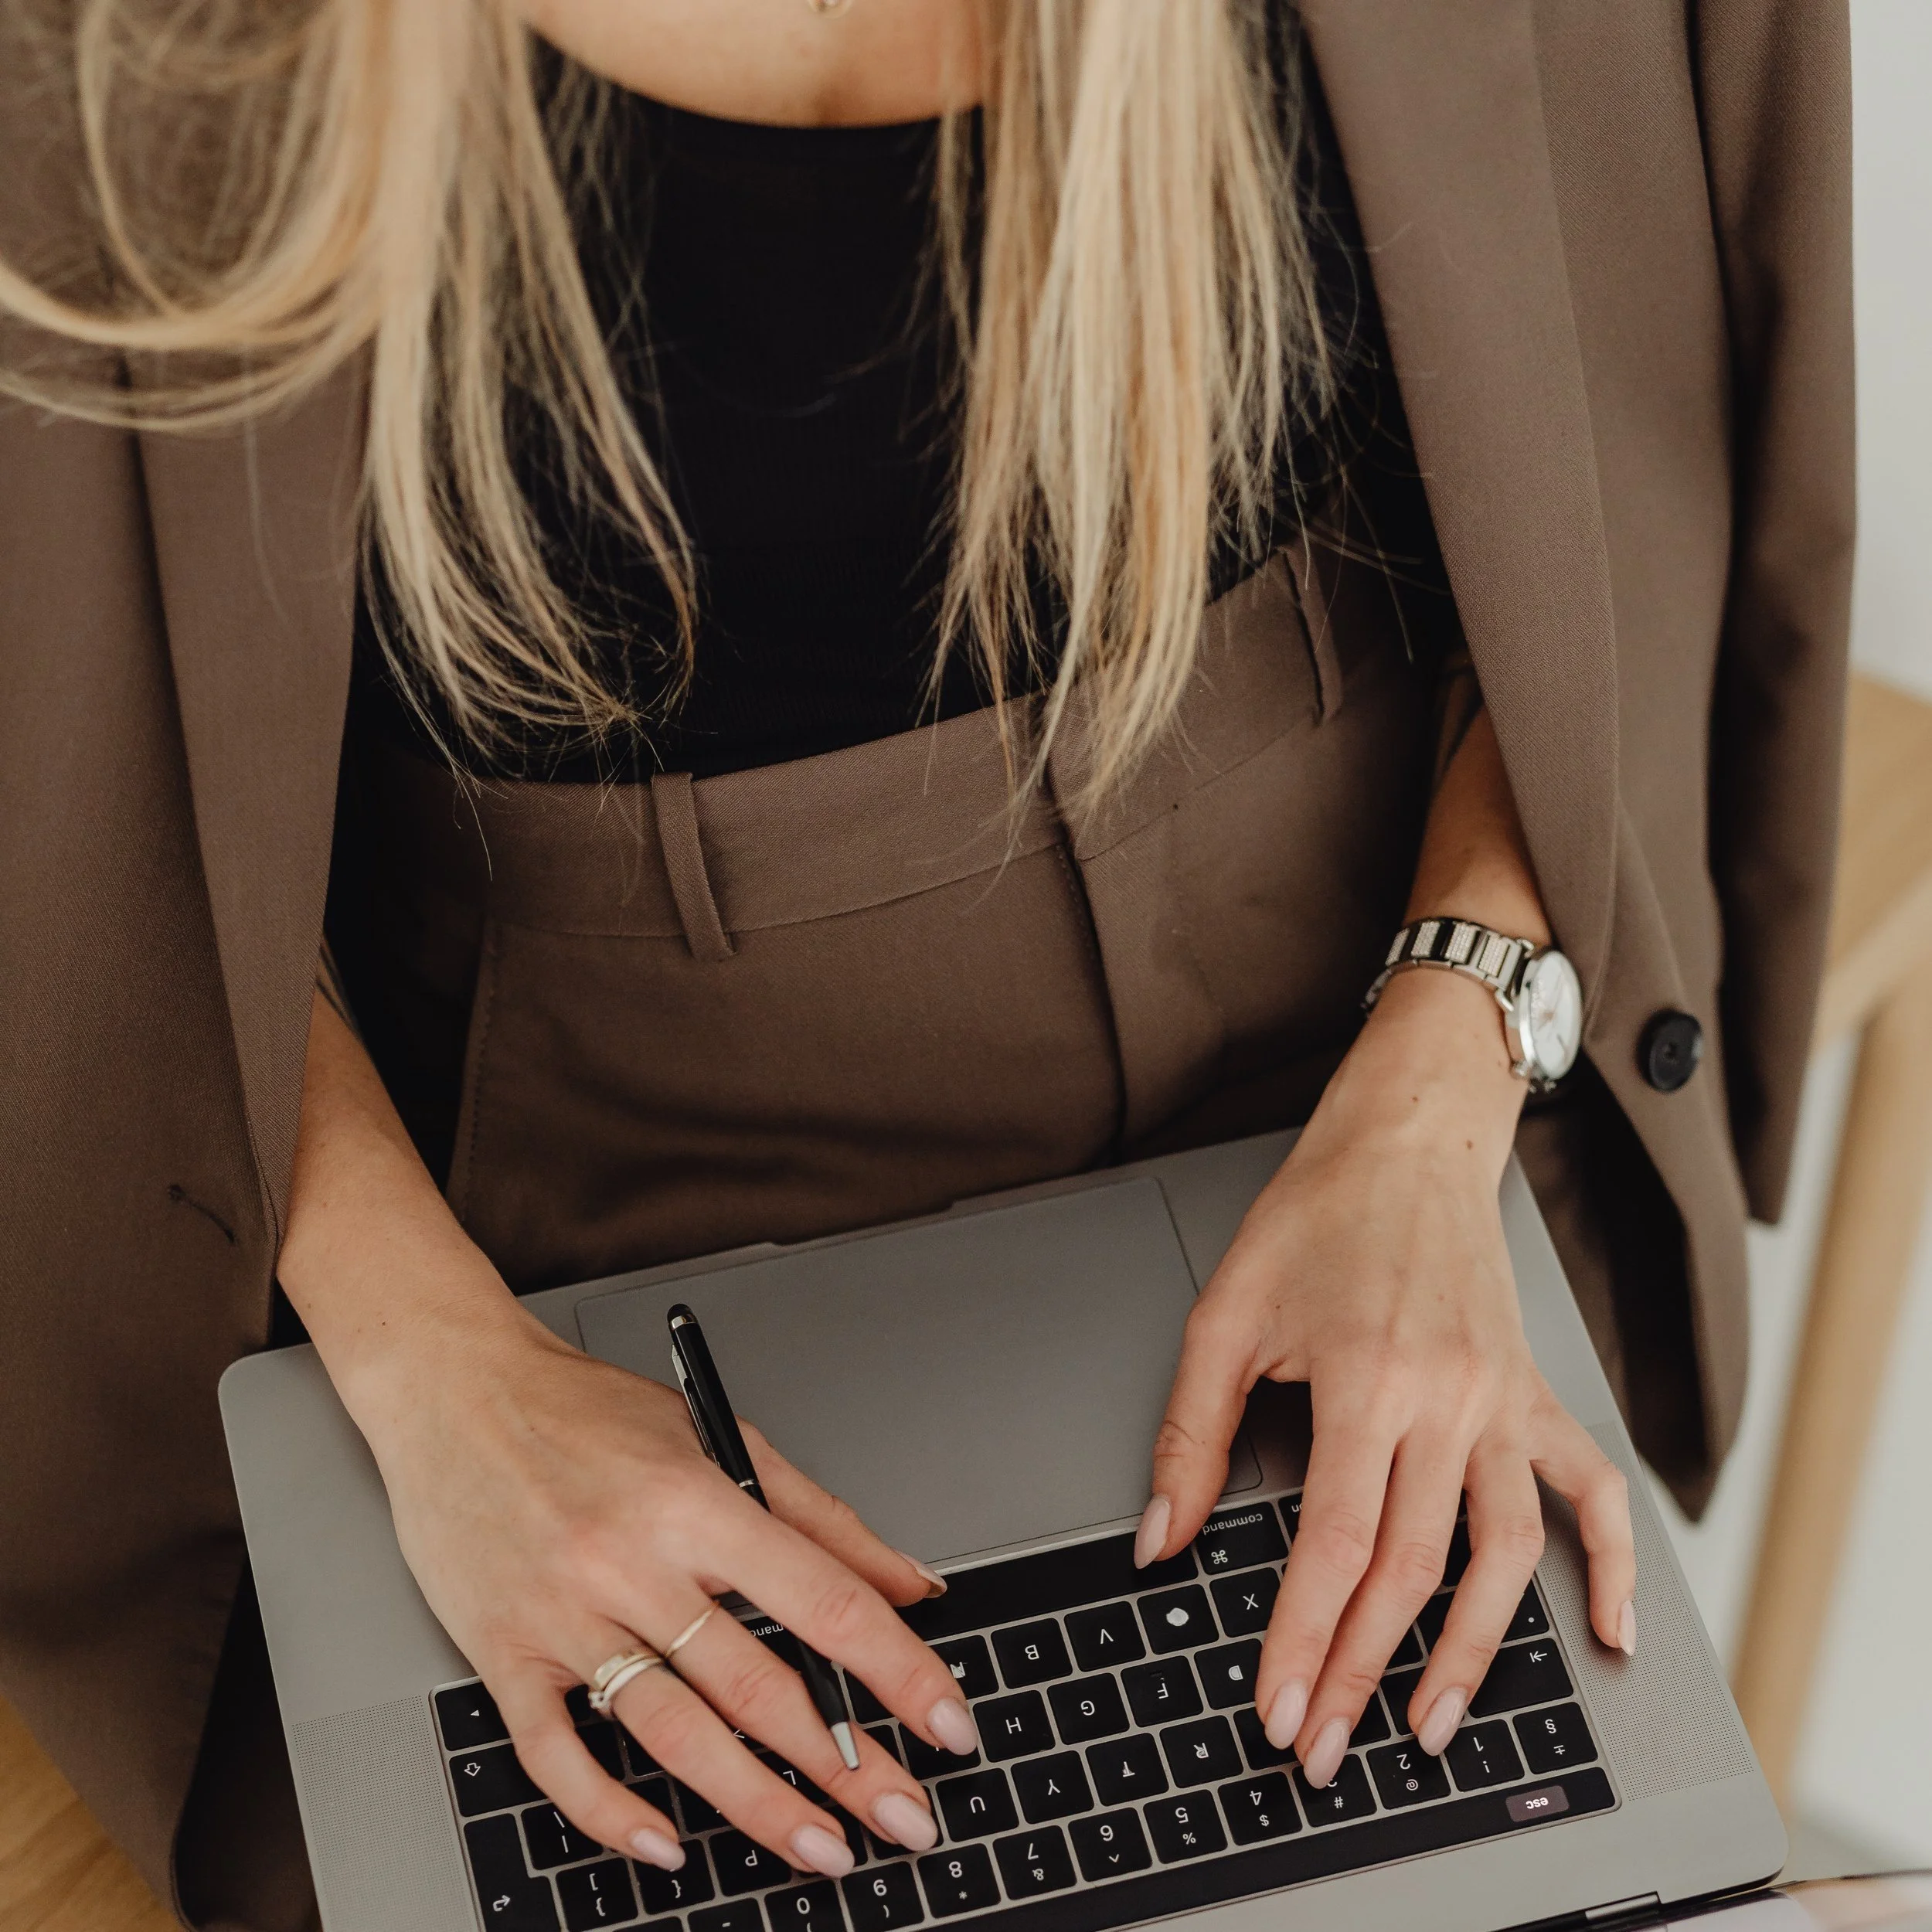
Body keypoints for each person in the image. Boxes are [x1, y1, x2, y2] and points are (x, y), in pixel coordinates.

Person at [0, 2, 1852, 1927]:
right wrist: (428, 1363)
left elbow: (1624, 471)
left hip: (1385, 1079)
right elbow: (73, 792)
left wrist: (1441, 1075)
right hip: (550, 1246)